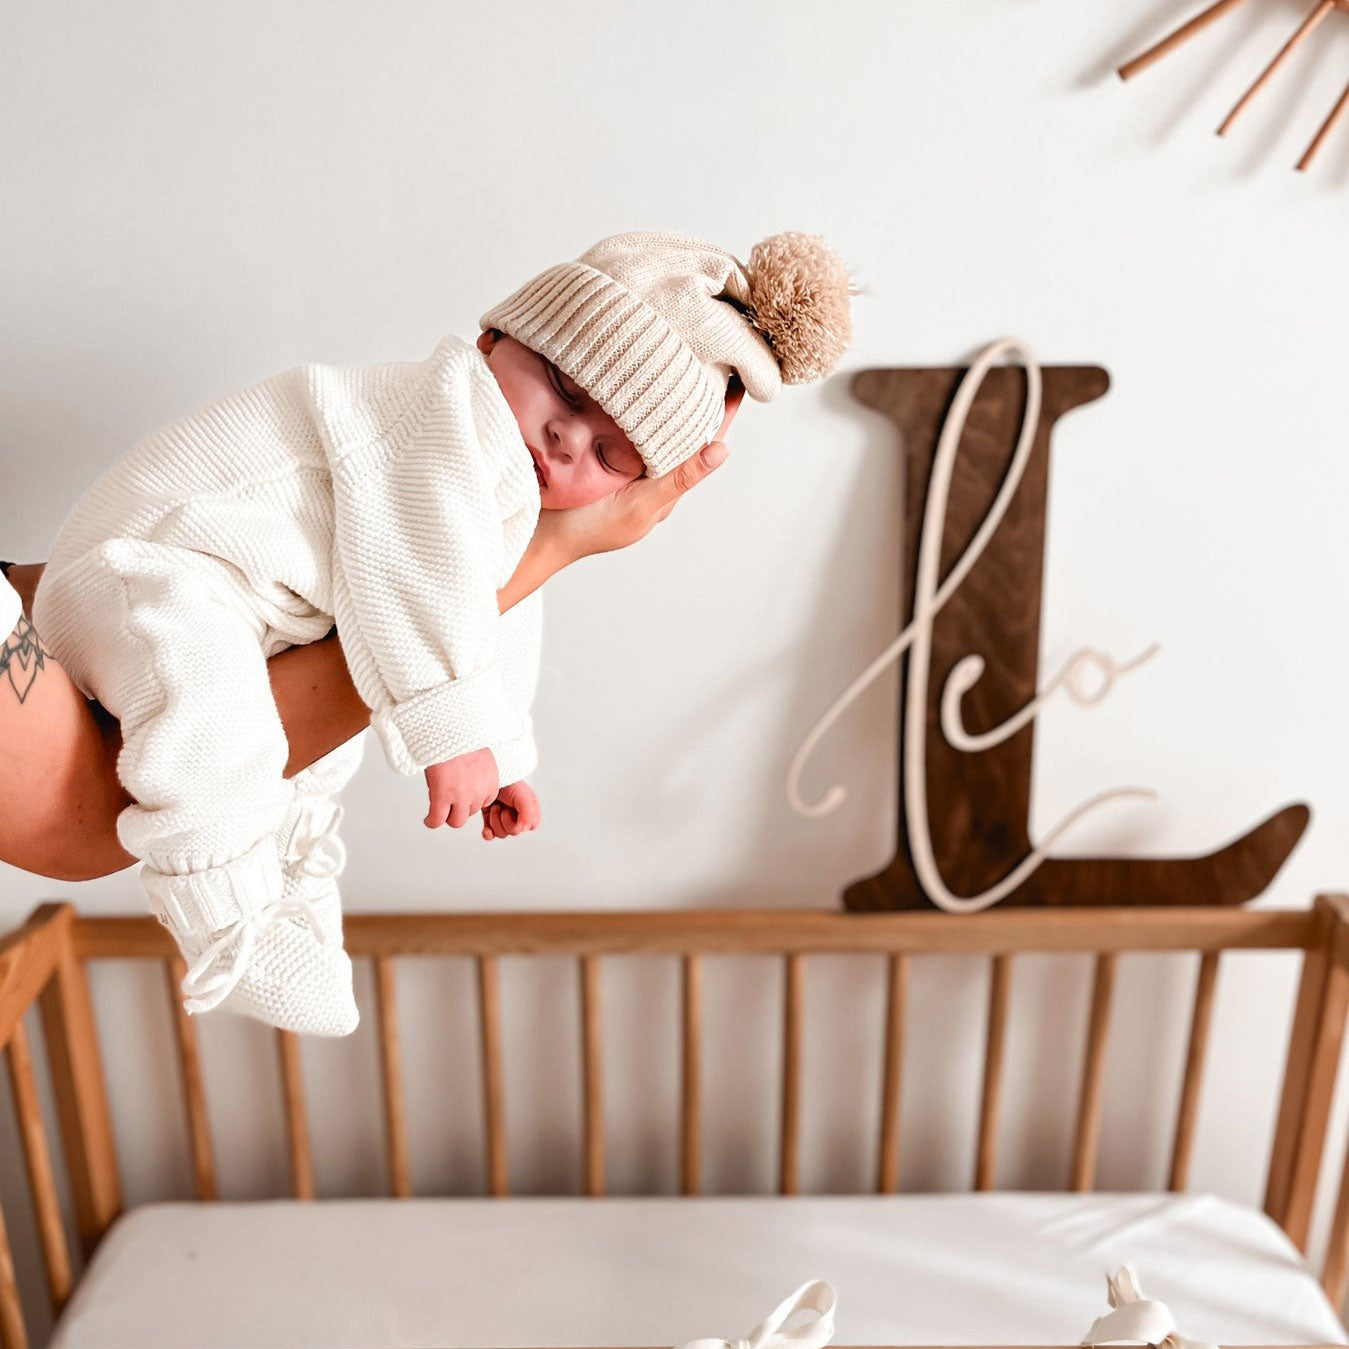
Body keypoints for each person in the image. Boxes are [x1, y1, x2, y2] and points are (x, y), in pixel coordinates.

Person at [12, 228, 855, 1037]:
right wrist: (453, 737)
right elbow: (414, 569)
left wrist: (502, 746)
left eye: (610, 454)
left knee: (314, 749)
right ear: (495, 337)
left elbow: (483, 602)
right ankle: (228, 926)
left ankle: (295, 886)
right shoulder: (441, 416)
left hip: (228, 602)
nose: (567, 439)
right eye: (565, 390)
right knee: (217, 725)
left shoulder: (494, 488)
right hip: (152, 577)